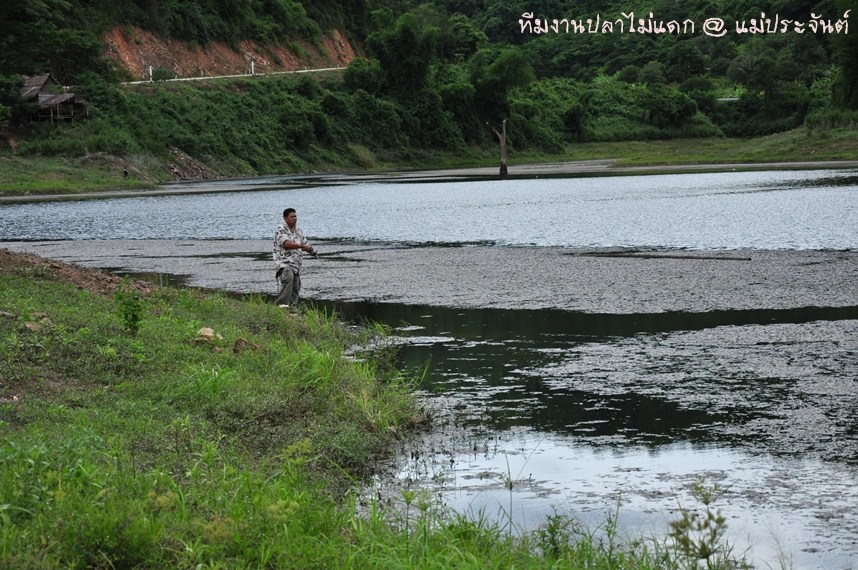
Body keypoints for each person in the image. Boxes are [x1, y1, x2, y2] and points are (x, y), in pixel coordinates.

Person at [273, 208, 315, 308]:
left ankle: (292, 309)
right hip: (284, 263)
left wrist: (312, 251)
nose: (295, 218)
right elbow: (286, 244)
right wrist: (302, 246)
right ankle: (282, 306)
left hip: (296, 265)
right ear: (285, 218)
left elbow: (305, 244)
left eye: (295, 216)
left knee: (296, 286)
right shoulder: (280, 229)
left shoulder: (299, 231)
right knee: (288, 278)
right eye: (292, 217)